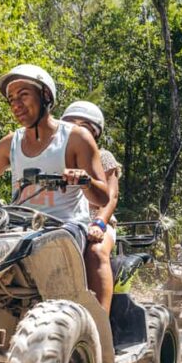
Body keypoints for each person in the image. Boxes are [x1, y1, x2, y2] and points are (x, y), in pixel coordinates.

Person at [0, 64, 112, 308]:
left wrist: (84, 180)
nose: (16, 104)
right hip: (19, 224)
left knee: (46, 248)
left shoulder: (76, 138)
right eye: (11, 99)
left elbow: (102, 198)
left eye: (23, 95)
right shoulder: (11, 143)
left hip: (64, 226)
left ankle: (86, 325)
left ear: (46, 95)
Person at [61, 101, 121, 314]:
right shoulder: (57, 158)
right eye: (70, 124)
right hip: (63, 221)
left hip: (96, 220)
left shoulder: (103, 157)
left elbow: (111, 197)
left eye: (84, 125)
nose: (76, 129)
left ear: (95, 133)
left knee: (95, 251)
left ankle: (100, 322)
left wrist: (99, 223)